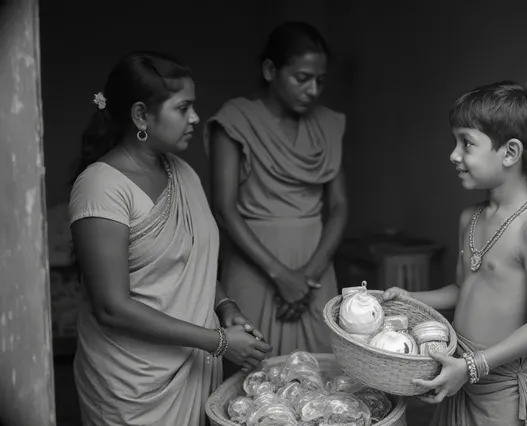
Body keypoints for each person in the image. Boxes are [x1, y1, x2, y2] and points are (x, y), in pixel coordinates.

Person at [69, 51, 272, 426]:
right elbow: (111, 306)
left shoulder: (184, 174)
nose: (195, 118)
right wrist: (220, 342)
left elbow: (193, 260)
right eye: (183, 108)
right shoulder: (102, 187)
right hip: (132, 388)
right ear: (141, 115)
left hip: (192, 365)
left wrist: (225, 307)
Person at [385, 81, 527, 426]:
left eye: (466, 143)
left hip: (502, 390)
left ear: (510, 152)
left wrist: (473, 366)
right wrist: (410, 299)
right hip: (461, 375)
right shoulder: (471, 217)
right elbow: (462, 290)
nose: (454, 154)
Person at [204, 21, 347, 362]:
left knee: (323, 378)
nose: (313, 89)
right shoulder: (236, 121)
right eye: (302, 78)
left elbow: (339, 206)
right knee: (251, 378)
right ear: (270, 70)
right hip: (255, 266)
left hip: (315, 267)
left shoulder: (328, 124)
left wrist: (307, 277)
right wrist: (281, 276)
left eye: (320, 80)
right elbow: (224, 208)